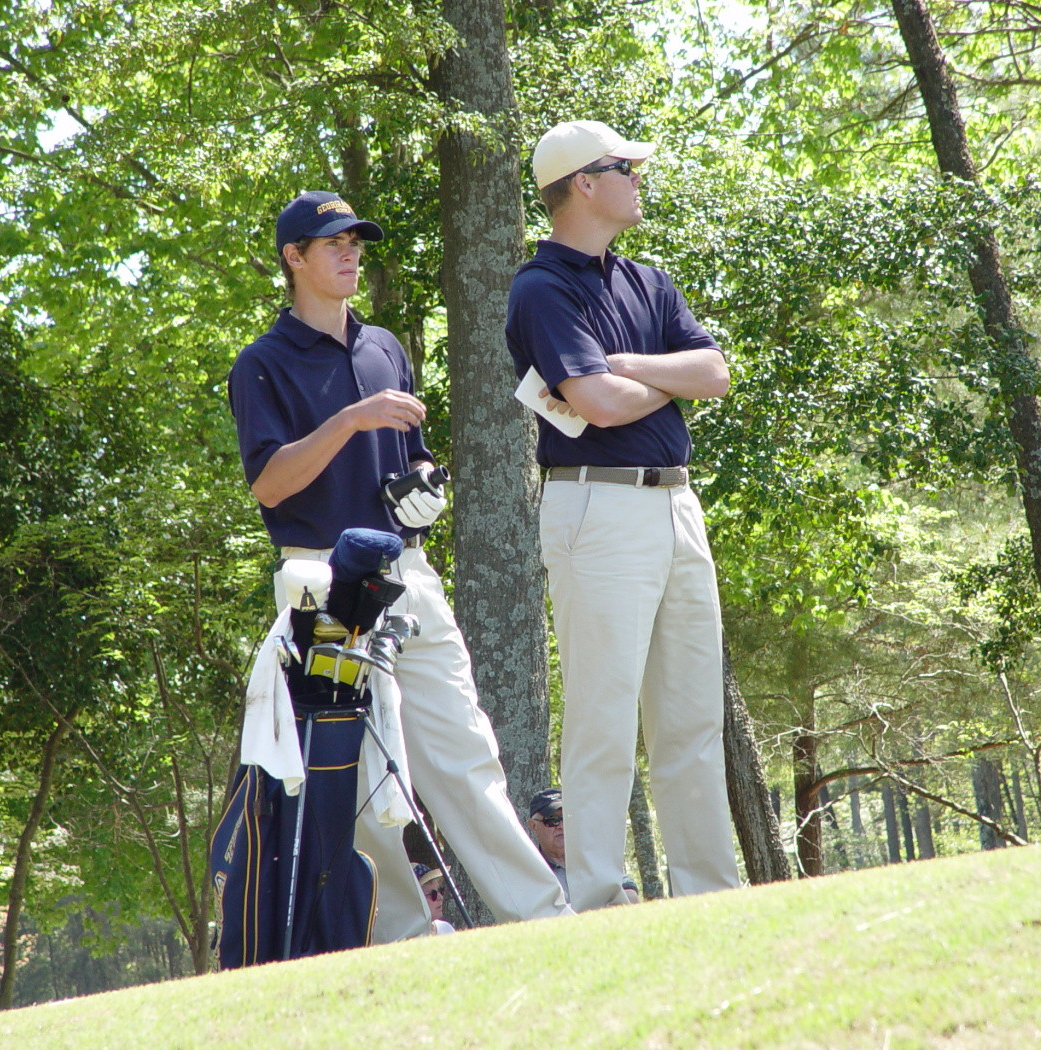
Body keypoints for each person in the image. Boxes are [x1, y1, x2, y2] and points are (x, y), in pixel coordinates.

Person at [230, 189, 572, 942]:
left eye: (356, 241)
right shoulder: (262, 363)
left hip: (408, 571)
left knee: (466, 750)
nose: (351, 253)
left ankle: (544, 915)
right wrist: (351, 421)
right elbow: (270, 482)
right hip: (321, 583)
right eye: (333, 244)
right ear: (294, 258)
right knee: (362, 776)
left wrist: (423, 488)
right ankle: (409, 940)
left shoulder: (384, 346)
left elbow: (409, 454)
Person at [506, 121, 742, 912]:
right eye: (625, 167)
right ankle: (601, 900)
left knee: (690, 720)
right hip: (595, 507)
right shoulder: (541, 288)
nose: (639, 177)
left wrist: (636, 366)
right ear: (583, 183)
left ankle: (710, 893)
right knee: (604, 722)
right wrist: (659, 380)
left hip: (676, 503)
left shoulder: (648, 280)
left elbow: (715, 371)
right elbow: (595, 405)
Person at [527, 788, 639, 904]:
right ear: (534, 826)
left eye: (567, 819)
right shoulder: (531, 871)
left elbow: (630, 893)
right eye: (552, 821)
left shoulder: (592, 859)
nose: (561, 826)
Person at [413, 863, 457, 935]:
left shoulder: (447, 930)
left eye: (440, 891)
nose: (440, 898)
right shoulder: (405, 938)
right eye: (433, 894)